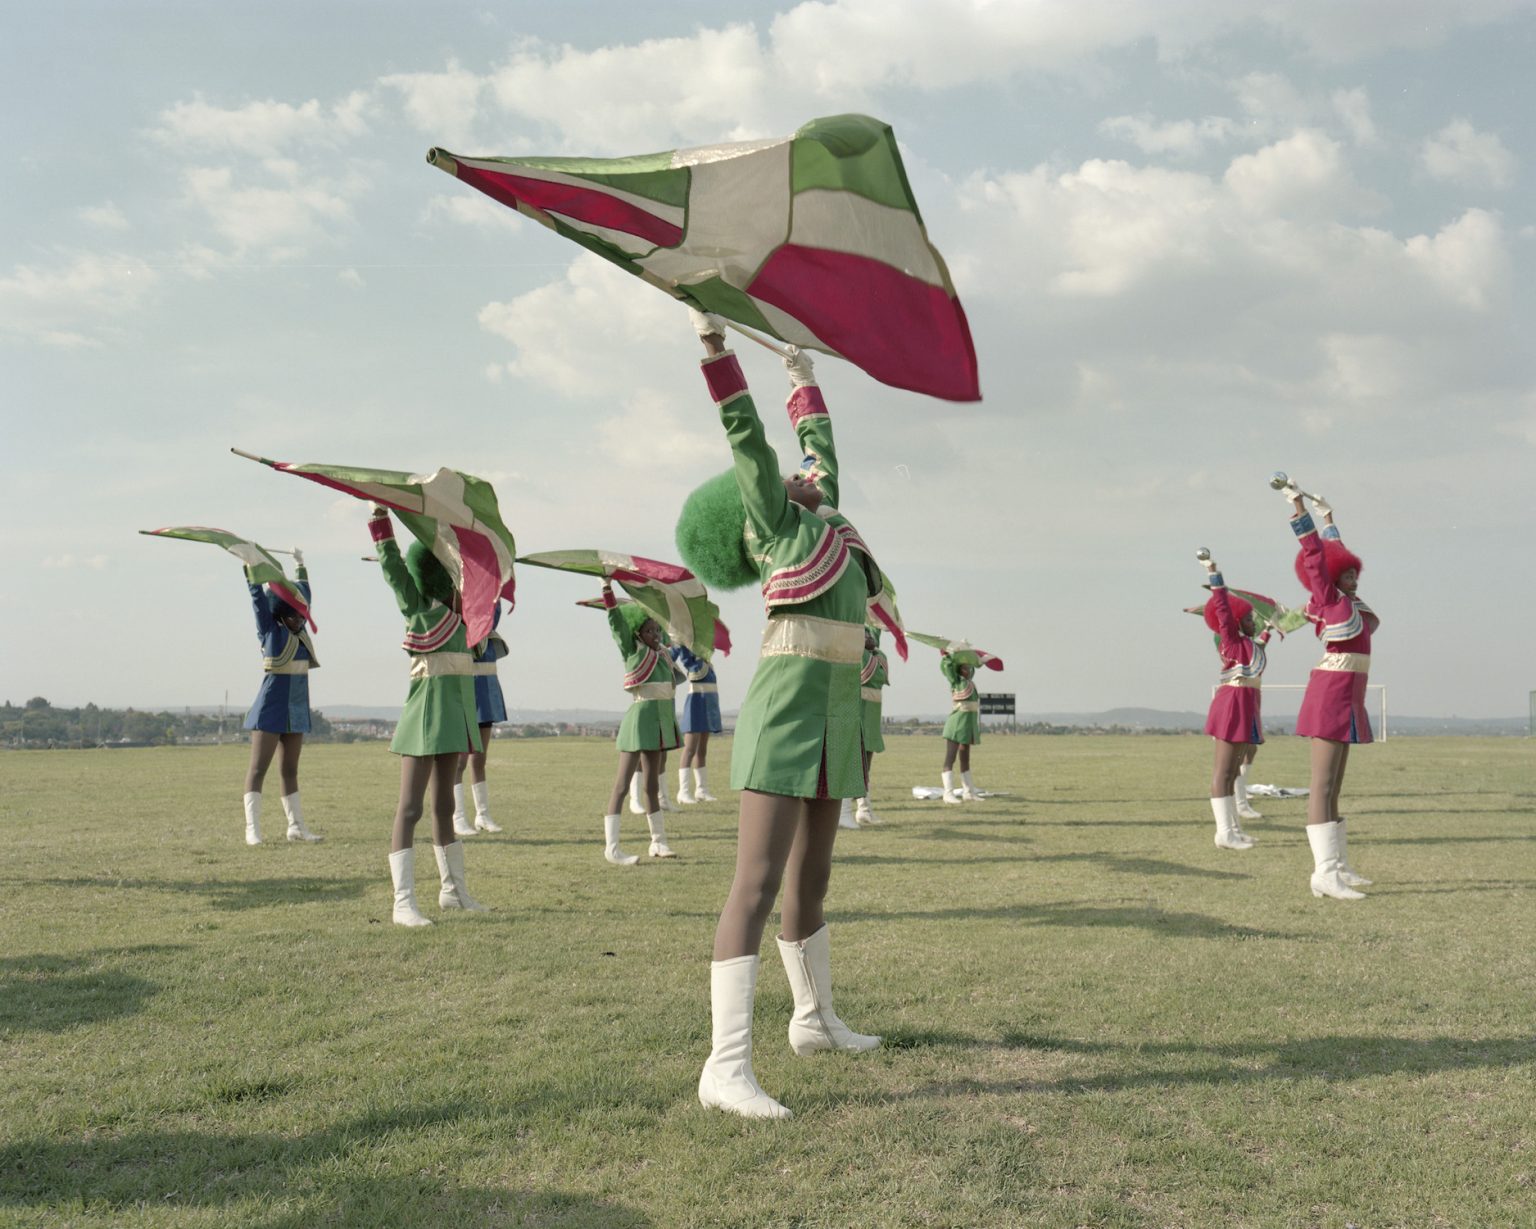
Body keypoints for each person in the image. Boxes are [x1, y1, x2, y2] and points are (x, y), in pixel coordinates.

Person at [676, 310, 880, 1122]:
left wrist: (803, 378)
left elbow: (819, 450)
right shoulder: (775, 526)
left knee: (812, 877)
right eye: (789, 477)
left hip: (835, 713)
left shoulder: (824, 517)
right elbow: (748, 439)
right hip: (785, 710)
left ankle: (814, 1019)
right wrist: (717, 350)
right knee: (755, 882)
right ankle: (724, 1066)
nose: (803, 475)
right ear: (752, 509)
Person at [368, 506, 486, 925]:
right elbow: (394, 570)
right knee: (410, 808)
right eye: (453, 573)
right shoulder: (419, 610)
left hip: (455, 718)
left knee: (444, 807)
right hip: (424, 719)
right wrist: (380, 521)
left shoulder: (466, 622)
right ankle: (402, 903)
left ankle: (453, 891)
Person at [1279, 479, 1377, 900]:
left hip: (1350, 694)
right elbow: (1316, 556)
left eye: (1356, 570)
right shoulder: (1328, 598)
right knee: (1321, 785)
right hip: (1331, 692)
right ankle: (1323, 873)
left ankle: (1338, 866)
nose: (1353, 575)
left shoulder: (1352, 603)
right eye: (1346, 572)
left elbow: (1334, 550)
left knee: (1335, 785)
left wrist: (1330, 518)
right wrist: (1299, 510)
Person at [241, 550, 323, 845]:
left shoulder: (301, 633)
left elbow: (305, 594)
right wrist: (251, 567)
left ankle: (296, 827)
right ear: (280, 613)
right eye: (293, 615)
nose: (299, 620)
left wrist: (301, 565)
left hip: (297, 708)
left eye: (302, 615)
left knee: (290, 770)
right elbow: (257, 600)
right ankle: (252, 829)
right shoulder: (269, 630)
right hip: (271, 708)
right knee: (258, 769)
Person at [599, 586, 680, 863]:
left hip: (658, 724)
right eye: (649, 631)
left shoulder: (664, 656)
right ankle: (612, 848)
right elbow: (617, 625)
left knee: (652, 786)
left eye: (657, 630)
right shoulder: (632, 651)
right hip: (638, 723)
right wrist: (607, 591)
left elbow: (670, 626)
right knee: (621, 786)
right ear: (638, 634)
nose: (655, 635)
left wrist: (659, 598)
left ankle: (658, 842)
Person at [1196, 551, 1268, 851]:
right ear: (1237, 622)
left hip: (1246, 705)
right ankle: (1224, 833)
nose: (1254, 621)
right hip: (1232, 705)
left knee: (1235, 769)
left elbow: (1266, 636)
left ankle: (1234, 829)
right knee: (1223, 772)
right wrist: (1215, 576)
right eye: (1249, 618)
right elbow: (1223, 612)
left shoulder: (1251, 644)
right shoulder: (1231, 641)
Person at [451, 599, 508, 836]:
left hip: (486, 693)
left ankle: (482, 815)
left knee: (479, 759)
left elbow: (494, 612)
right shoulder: (459, 625)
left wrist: (495, 591)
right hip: (464, 693)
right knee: (459, 762)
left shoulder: (489, 626)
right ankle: (457, 817)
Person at [671, 641, 722, 804]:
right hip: (695, 706)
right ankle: (683, 791)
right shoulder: (694, 664)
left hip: (708, 707)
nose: (711, 647)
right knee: (689, 749)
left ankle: (702, 790)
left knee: (702, 750)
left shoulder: (709, 666)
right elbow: (681, 655)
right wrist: (681, 640)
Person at [852, 627, 889, 826]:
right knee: (853, 765)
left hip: (872, 716)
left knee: (865, 767)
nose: (870, 638)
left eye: (871, 635)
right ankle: (848, 811)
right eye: (865, 635)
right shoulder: (856, 655)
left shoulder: (878, 656)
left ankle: (863, 809)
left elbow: (880, 677)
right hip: (857, 711)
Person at [938, 649, 984, 803]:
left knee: (965, 759)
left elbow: (975, 665)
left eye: (969, 668)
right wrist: (948, 656)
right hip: (956, 724)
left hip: (968, 725)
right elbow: (947, 668)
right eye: (964, 667)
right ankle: (948, 793)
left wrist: (977, 659)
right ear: (958, 669)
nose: (968, 670)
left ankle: (968, 792)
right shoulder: (956, 681)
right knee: (950, 758)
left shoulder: (970, 683)